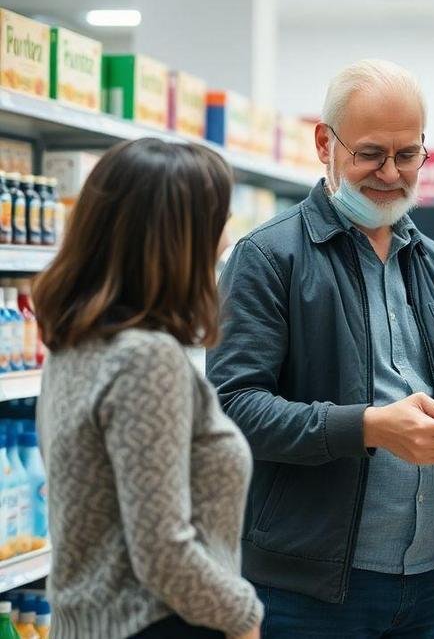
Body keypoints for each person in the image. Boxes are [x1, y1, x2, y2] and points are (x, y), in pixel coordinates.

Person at [207, 59, 434, 639]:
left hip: (425, 579)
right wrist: (367, 427)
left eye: (408, 154)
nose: (391, 173)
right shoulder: (267, 259)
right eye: (370, 154)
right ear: (323, 144)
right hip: (307, 590)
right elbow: (233, 407)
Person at [33, 138, 262, 639]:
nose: (226, 238)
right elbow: (163, 551)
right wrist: (243, 614)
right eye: (217, 220)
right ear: (176, 238)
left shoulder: (72, 344)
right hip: (158, 623)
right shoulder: (146, 360)